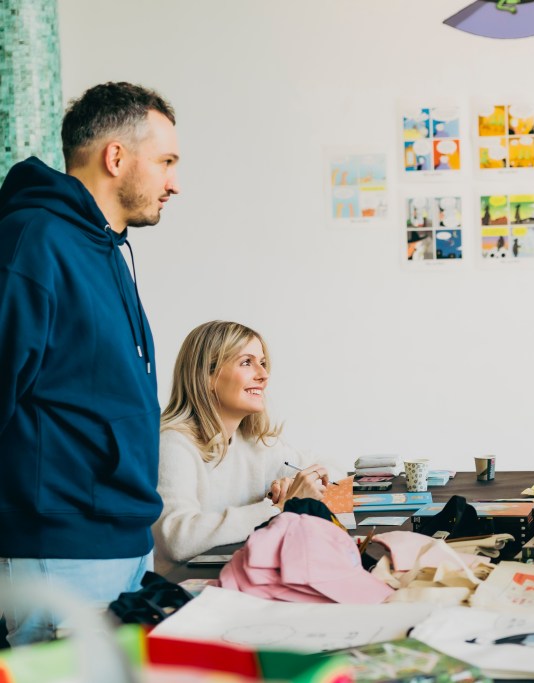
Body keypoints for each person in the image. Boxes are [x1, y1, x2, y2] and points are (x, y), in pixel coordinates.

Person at [0, 82, 180, 645]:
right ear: (116, 156)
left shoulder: (103, 247)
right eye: (166, 161)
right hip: (59, 549)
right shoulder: (33, 241)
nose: (176, 182)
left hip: (121, 540)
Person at [153, 321, 331, 576]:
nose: (263, 374)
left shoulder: (252, 441)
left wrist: (293, 482)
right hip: (187, 593)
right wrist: (277, 508)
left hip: (241, 580)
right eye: (247, 362)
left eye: (263, 362)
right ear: (208, 376)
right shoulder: (173, 443)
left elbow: (329, 469)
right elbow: (178, 539)